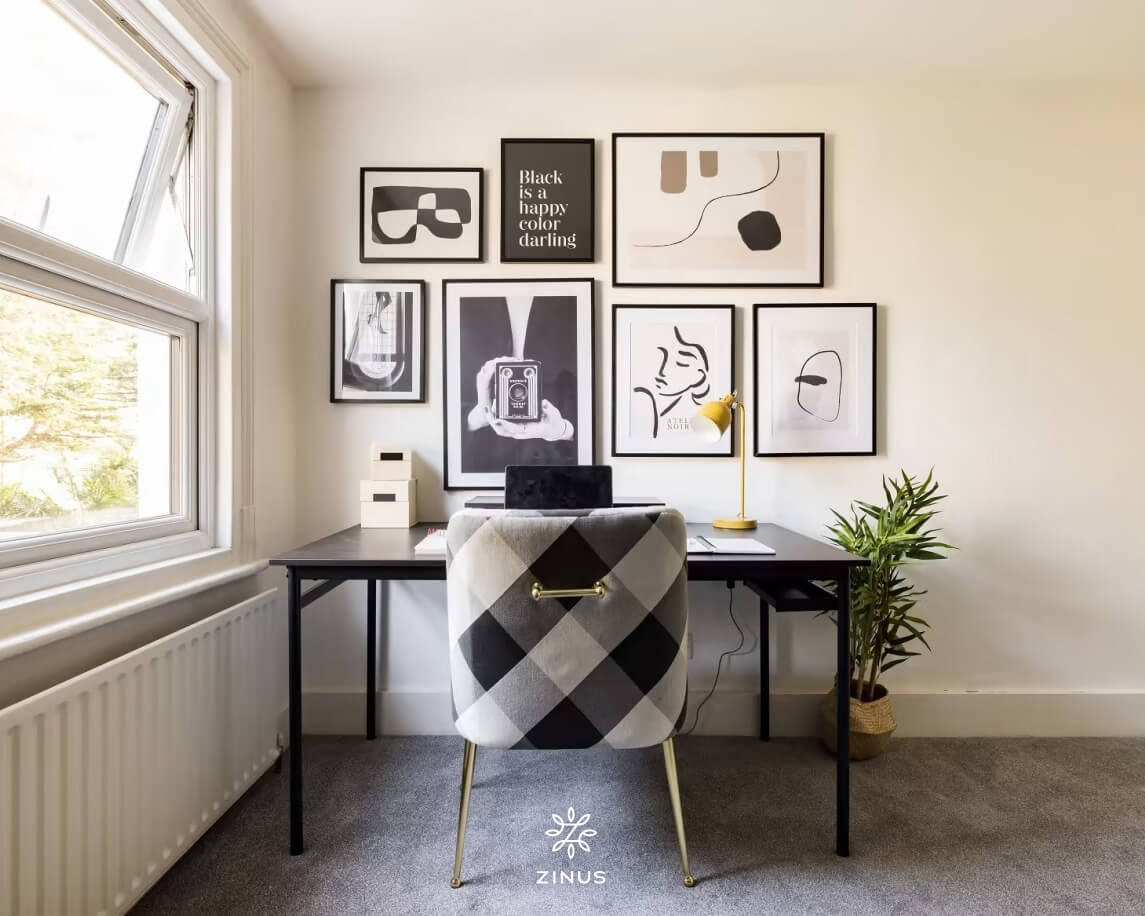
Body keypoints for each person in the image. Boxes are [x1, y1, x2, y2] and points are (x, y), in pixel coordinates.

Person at [459, 293, 577, 474]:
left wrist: (563, 430)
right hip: (483, 465)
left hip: (556, 464)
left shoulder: (572, 299)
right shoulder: (465, 302)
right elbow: (446, 405)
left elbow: (592, 409)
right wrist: (477, 416)